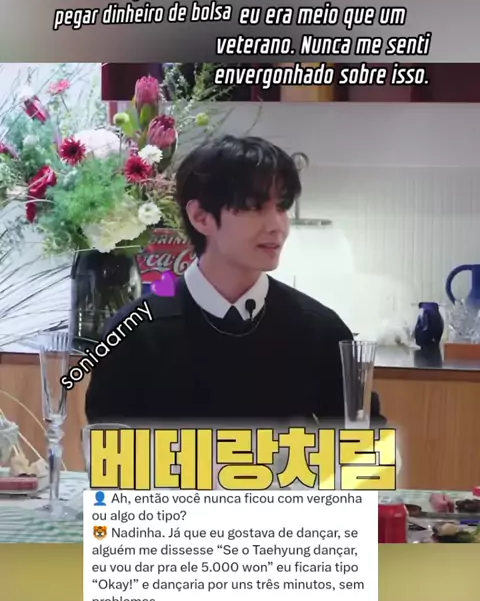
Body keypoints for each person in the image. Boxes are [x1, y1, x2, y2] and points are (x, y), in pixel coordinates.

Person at [85, 135, 384, 425]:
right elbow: (109, 448)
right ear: (201, 217)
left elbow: (365, 444)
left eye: (282, 207)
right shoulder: (134, 333)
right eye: (254, 207)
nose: (277, 226)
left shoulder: (320, 330)